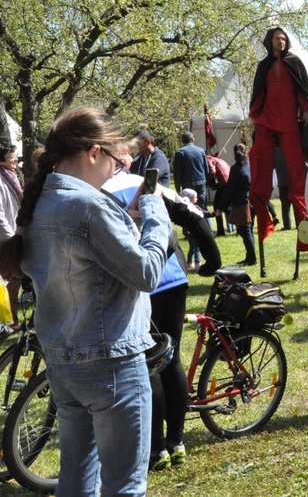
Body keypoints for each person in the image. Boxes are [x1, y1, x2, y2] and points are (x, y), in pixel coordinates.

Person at [0, 107, 170, 496]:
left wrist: (126, 221)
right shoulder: (90, 206)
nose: (116, 170)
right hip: (112, 362)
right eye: (114, 160)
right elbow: (146, 273)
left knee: (75, 481)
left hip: (63, 363)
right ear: (94, 152)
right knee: (124, 485)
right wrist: (154, 213)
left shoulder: (41, 201)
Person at [102, 158, 220, 473]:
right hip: (172, 278)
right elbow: (193, 215)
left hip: (140, 284)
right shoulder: (148, 182)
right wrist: (213, 261)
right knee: (170, 360)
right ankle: (176, 442)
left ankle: (156, 451)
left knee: (146, 365)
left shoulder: (99, 191)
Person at [248, 27, 308, 242]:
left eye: (283, 39)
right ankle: (262, 213)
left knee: (296, 171)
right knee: (259, 162)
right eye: (277, 38)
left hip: (289, 121)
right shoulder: (264, 65)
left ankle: (305, 222)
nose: (281, 42)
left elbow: (303, 89)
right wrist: (255, 114)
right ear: (269, 41)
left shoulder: (294, 61)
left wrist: (306, 108)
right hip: (267, 120)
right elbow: (259, 91)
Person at [216, 143, 257, 266]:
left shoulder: (236, 169)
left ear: (234, 154)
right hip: (252, 202)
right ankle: (250, 256)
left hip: (242, 204)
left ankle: (252, 258)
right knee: (248, 231)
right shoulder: (251, 165)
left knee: (246, 232)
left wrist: (221, 207)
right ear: (246, 152)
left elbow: (229, 190)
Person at [0, 146, 21, 330]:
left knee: (15, 280)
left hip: (13, 235)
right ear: (1, 160)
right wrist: (12, 238)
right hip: (6, 239)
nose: (15, 159)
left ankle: (12, 320)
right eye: (11, 157)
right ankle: (12, 321)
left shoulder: (11, 176)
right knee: (13, 279)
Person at [173, 131, 210, 207]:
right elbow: (206, 169)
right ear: (193, 140)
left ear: (183, 141)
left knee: (190, 207)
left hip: (187, 183)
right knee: (203, 207)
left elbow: (177, 172)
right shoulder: (201, 151)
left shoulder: (180, 152)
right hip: (201, 182)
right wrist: (206, 182)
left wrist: (177, 188)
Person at [180, 188, 203, 269]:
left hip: (189, 233)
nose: (197, 198)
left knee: (192, 248)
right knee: (197, 247)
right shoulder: (192, 208)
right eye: (195, 197)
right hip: (193, 232)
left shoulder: (184, 208)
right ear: (190, 198)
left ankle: (189, 263)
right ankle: (198, 263)